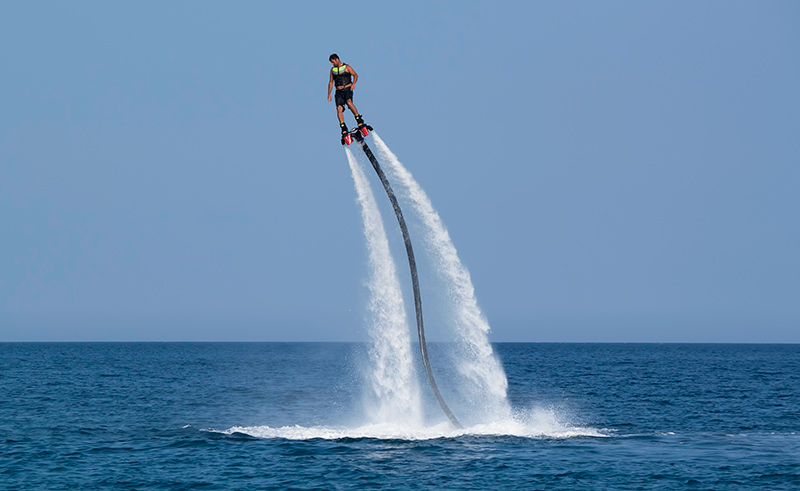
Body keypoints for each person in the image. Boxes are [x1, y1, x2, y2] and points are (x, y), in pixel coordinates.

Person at [327, 53, 367, 137]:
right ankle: (343, 127)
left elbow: (355, 75)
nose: (332, 64)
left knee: (349, 102)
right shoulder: (332, 70)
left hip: (347, 89)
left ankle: (358, 118)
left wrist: (353, 83)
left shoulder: (346, 67)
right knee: (339, 108)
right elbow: (331, 82)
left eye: (333, 62)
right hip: (338, 91)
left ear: (337, 59)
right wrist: (329, 94)